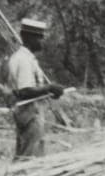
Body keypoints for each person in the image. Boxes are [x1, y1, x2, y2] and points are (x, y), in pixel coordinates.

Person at [7, 18, 64, 159]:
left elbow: (32, 89)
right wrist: (49, 88)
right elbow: (25, 90)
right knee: (29, 155)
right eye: (39, 37)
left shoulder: (25, 58)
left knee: (29, 151)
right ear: (28, 38)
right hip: (29, 113)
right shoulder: (24, 60)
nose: (42, 41)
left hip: (30, 111)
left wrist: (50, 92)